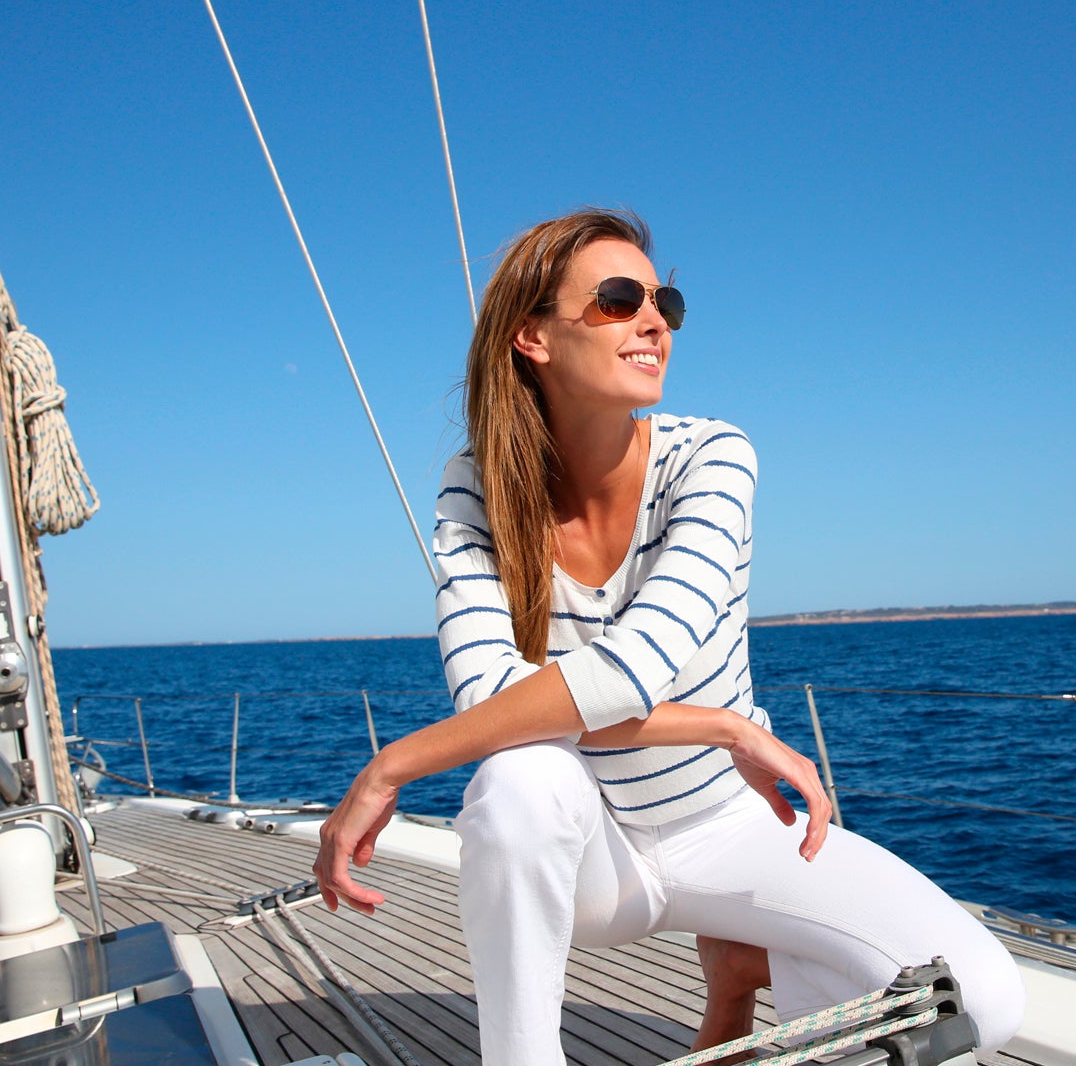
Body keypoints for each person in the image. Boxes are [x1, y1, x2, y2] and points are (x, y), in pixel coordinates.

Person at [314, 209, 1024, 1066]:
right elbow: (493, 705)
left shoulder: (713, 458)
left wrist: (395, 762)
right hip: (593, 856)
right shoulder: (476, 489)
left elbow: (635, 667)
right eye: (619, 300)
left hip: (730, 824)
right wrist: (726, 725)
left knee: (980, 1003)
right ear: (531, 336)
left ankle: (734, 981)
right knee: (521, 777)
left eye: (665, 303)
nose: (656, 322)